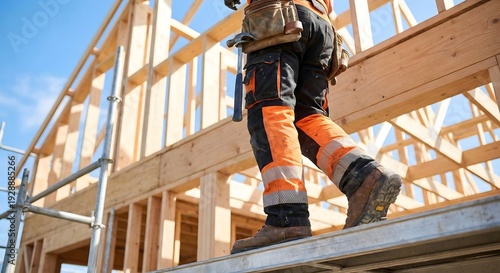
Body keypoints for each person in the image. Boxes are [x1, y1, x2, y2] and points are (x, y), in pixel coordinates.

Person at [224, 0, 402, 254]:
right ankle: (363, 177)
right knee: (305, 117)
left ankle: (286, 219)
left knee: (270, 112)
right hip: (320, 26)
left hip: (279, 20)